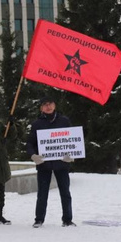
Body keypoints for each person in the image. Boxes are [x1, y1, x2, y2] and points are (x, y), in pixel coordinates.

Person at [27, 96, 75, 227]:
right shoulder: (37, 124)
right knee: (42, 193)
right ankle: (39, 219)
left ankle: (67, 219)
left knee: (65, 192)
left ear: (55, 105)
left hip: (62, 162)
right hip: (44, 163)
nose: (48, 107)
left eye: (50, 103)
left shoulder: (64, 121)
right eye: (45, 104)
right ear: (41, 108)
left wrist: (72, 153)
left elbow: (72, 139)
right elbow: (30, 143)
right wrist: (33, 155)